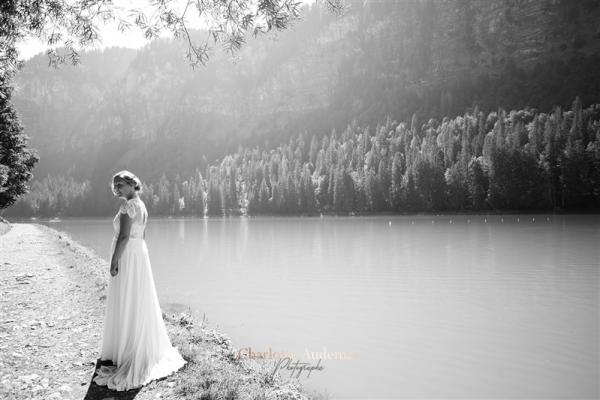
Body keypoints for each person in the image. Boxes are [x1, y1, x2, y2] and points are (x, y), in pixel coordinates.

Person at [93, 170, 186, 391]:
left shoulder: (128, 206)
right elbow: (142, 236)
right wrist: (138, 256)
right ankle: (131, 344)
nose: (118, 189)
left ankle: (127, 348)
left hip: (128, 254)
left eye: (121, 185)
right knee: (137, 298)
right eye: (115, 186)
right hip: (139, 255)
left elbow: (124, 237)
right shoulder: (141, 205)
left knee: (128, 298)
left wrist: (115, 261)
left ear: (132, 184)